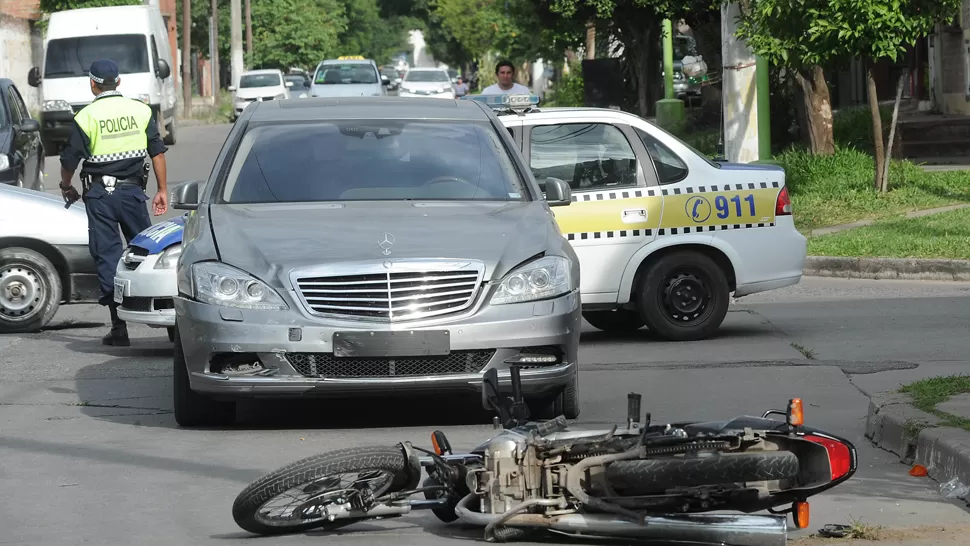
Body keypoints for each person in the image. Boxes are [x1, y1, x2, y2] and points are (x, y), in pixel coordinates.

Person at [59, 59, 169, 347]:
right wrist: (163, 190)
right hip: (133, 193)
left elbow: (70, 159)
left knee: (108, 254)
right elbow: (157, 152)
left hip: (100, 197)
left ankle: (118, 327)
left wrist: (66, 185)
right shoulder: (141, 110)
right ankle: (172, 325)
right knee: (149, 254)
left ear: (92, 84)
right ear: (118, 82)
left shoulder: (86, 117)